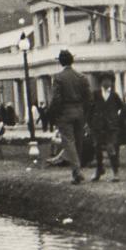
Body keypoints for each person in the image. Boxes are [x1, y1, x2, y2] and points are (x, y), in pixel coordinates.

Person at [48, 49, 91, 184]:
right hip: (79, 112)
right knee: (78, 142)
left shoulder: (58, 77)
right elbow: (88, 98)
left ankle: (77, 171)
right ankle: (76, 173)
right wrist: (84, 113)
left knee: (69, 142)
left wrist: (55, 114)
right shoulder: (81, 77)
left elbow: (56, 99)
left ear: (60, 62)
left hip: (65, 113)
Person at [86, 77, 122, 182]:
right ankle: (99, 170)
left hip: (111, 128)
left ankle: (116, 172)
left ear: (112, 82)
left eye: (109, 80)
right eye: (105, 80)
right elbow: (90, 109)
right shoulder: (95, 94)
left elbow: (120, 107)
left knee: (111, 148)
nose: (107, 82)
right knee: (97, 149)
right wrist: (89, 123)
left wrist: (114, 117)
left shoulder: (114, 95)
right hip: (97, 127)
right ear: (101, 82)